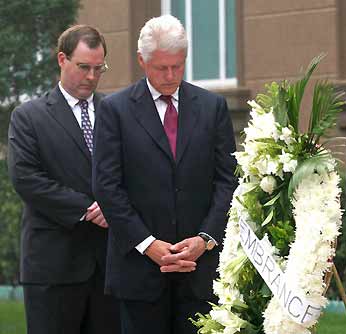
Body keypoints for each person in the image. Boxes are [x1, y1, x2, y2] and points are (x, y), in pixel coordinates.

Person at [92, 15, 237, 334]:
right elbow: (106, 187)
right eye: (161, 68)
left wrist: (205, 239)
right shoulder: (115, 110)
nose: (171, 75)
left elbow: (227, 180)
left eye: (178, 65)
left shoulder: (213, 107)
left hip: (201, 272)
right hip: (139, 275)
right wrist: (148, 244)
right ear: (141, 60)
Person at [7, 25, 120, 334]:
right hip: (52, 268)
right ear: (62, 59)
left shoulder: (116, 112)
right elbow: (26, 178)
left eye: (99, 69)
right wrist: (89, 209)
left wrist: (117, 206)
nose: (92, 76)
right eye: (84, 67)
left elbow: (138, 172)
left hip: (110, 268)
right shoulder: (29, 116)